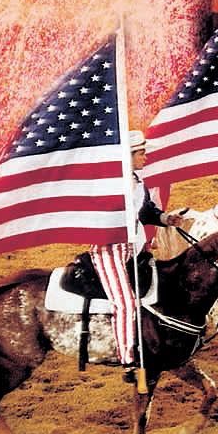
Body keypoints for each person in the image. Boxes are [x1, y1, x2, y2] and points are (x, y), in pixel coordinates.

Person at [88, 131, 173, 367]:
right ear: (129, 155)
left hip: (133, 249)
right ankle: (127, 356)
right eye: (141, 153)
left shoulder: (137, 182)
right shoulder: (113, 183)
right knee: (125, 303)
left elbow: (145, 211)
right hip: (110, 249)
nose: (145, 157)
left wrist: (165, 219)